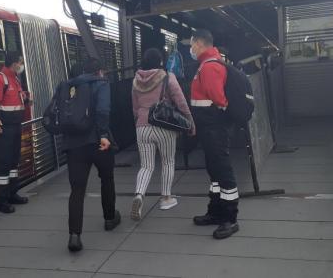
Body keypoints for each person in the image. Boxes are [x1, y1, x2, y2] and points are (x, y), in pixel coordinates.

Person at [62, 58, 120, 252]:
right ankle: (110, 218)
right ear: (100, 72)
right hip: (98, 142)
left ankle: (74, 236)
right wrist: (103, 134)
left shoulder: (69, 86)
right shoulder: (101, 84)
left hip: (74, 144)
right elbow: (103, 110)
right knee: (107, 178)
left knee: (77, 190)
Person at [130, 48, 194, 220]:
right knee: (167, 161)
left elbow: (135, 107)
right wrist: (189, 120)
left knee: (146, 166)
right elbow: (180, 100)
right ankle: (166, 198)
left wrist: (140, 119)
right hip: (163, 124)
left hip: (142, 126)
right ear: (160, 61)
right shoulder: (167, 76)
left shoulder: (136, 80)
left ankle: (138, 195)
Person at [189, 29, 240, 239]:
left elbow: (219, 98)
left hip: (214, 128)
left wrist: (221, 120)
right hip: (209, 128)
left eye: (192, 45)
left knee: (222, 171)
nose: (191, 49)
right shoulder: (207, 64)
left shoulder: (209, 67)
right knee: (215, 173)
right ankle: (216, 212)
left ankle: (230, 218)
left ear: (200, 44)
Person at [0, 52, 30, 213]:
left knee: (13, 162)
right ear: (14, 63)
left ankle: (13, 193)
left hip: (16, 126)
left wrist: (26, 98)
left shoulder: (15, 79)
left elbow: (15, 99)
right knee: (4, 164)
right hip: (4, 128)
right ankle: (2, 201)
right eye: (20, 62)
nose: (22, 65)